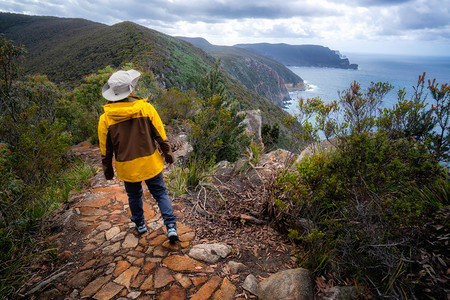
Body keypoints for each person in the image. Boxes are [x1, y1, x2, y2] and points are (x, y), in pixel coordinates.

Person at [98, 69, 178, 242]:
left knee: (134, 195)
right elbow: (160, 136)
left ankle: (140, 225)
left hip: (127, 167)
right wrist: (169, 156)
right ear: (131, 90)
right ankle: (171, 226)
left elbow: (106, 150)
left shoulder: (106, 119)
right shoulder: (146, 108)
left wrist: (108, 172)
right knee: (161, 194)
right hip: (150, 162)